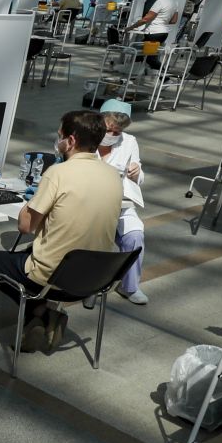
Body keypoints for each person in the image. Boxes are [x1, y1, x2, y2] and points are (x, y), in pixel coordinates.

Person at [0, 111, 123, 352]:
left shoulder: (58, 173)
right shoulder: (112, 175)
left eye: (60, 136)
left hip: (52, 276)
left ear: (72, 140)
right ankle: (42, 317)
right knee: (33, 252)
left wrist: (37, 196)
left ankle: (39, 312)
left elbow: (25, 226)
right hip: (95, 277)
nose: (58, 142)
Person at [97, 101, 148, 305]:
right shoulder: (86, 136)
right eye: (108, 129)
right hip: (91, 201)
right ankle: (88, 281)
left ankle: (129, 286)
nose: (111, 134)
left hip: (121, 202)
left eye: (116, 132)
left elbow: (140, 176)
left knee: (135, 237)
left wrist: (137, 172)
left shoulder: (129, 142)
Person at [124, 0, 177, 70]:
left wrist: (130, 27)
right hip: (163, 33)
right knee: (142, 55)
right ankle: (134, 74)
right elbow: (174, 20)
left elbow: (146, 19)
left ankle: (165, 76)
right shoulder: (174, 2)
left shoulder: (160, 2)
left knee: (150, 58)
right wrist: (162, 20)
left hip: (153, 33)